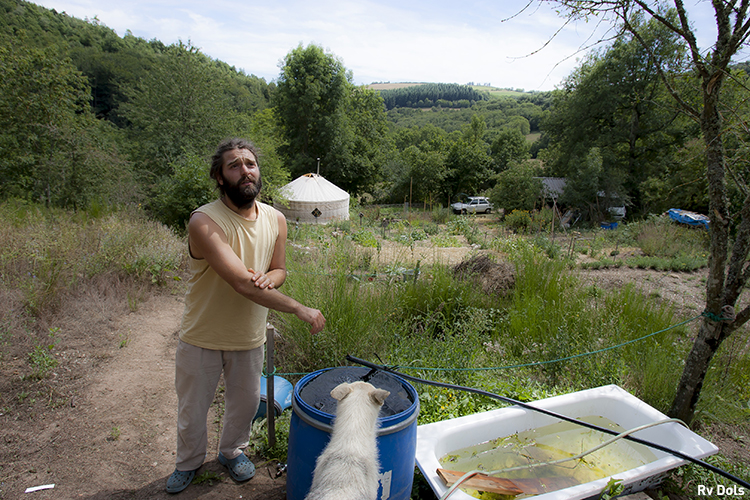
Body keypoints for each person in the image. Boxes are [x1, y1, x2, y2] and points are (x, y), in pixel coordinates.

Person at [166, 138, 325, 494]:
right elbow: (241, 282)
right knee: (193, 410)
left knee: (245, 405)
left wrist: (273, 277)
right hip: (201, 336)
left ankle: (232, 452)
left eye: (250, 164)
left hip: (249, 336)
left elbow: (279, 268)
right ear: (220, 177)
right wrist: (300, 308)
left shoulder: (277, 219)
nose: (245, 171)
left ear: (258, 172)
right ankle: (188, 463)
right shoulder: (204, 222)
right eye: (234, 165)